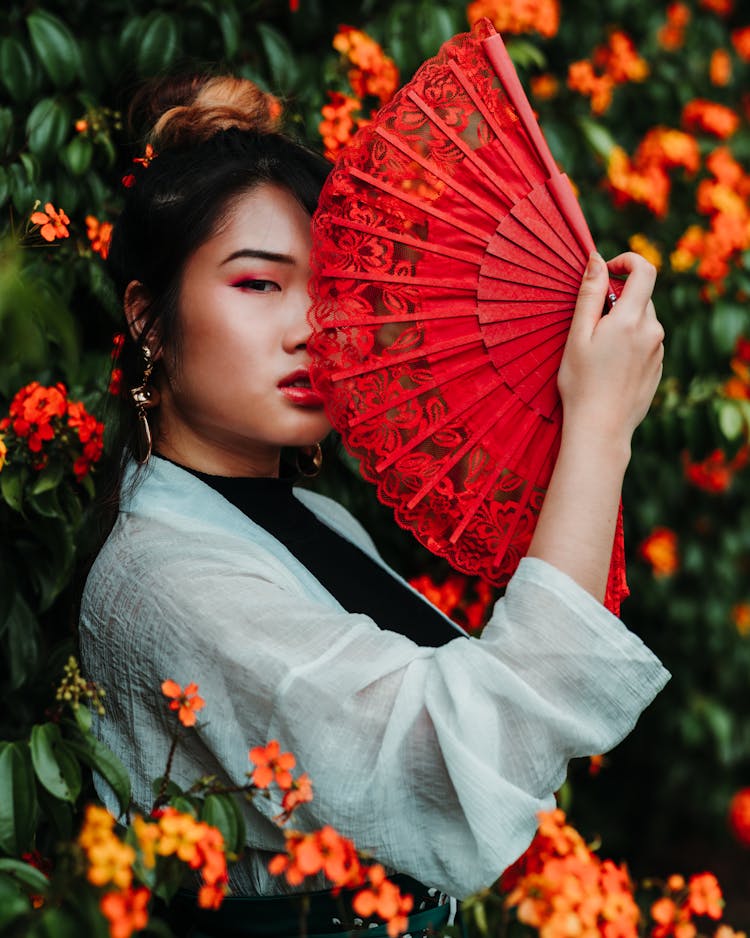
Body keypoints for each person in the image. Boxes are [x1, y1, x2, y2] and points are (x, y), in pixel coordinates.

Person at [79, 72, 669, 936]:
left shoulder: (320, 523)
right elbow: (471, 747)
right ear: (150, 321)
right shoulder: (163, 579)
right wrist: (599, 430)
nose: (310, 327)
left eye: (328, 288)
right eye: (258, 285)